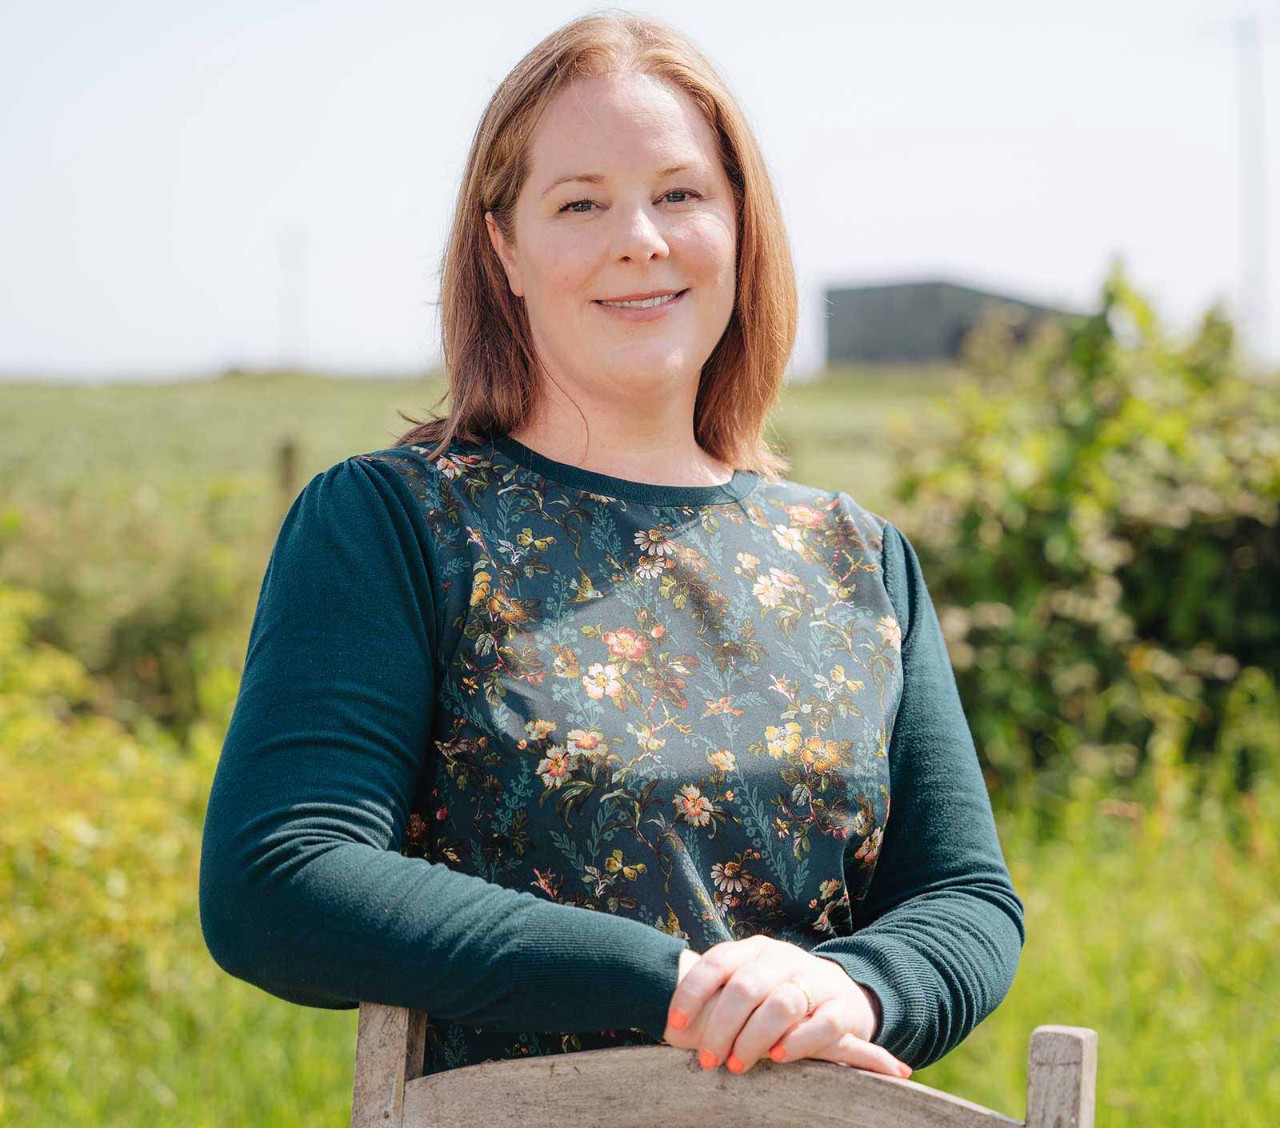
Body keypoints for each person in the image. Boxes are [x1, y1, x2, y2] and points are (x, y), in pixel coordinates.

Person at [198, 10, 1025, 1082]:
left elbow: (965, 899)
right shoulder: (393, 524)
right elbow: (281, 878)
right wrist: (678, 988)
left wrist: (853, 986)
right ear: (504, 248)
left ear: (740, 226)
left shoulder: (853, 556)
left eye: (679, 195)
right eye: (580, 203)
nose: (640, 237)